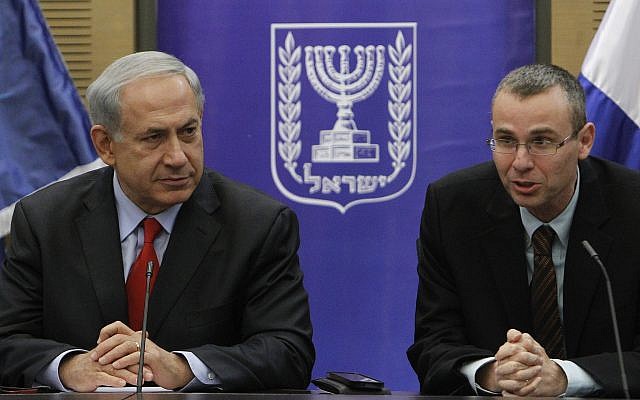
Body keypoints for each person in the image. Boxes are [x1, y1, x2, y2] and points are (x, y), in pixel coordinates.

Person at [0, 51, 314, 392]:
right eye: (154, 137)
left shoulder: (257, 225)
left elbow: (289, 353)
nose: (178, 157)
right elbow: (7, 340)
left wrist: (182, 367)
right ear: (106, 145)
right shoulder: (45, 220)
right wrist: (68, 367)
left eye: (189, 131)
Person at [407, 64, 640, 397]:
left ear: (584, 141)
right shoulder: (453, 208)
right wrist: (493, 373)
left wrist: (562, 377)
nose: (519, 162)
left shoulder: (632, 209)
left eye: (541, 142)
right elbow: (432, 344)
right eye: (505, 140)